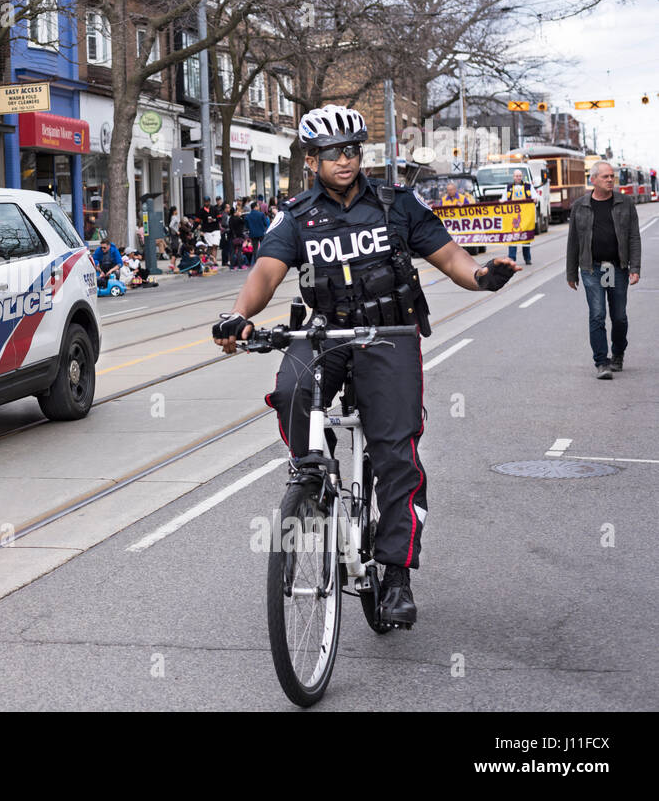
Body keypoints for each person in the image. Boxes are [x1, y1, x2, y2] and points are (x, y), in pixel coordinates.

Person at [211, 104, 518, 627]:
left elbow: (450, 258)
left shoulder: (398, 204)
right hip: (327, 331)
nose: (345, 160)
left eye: (352, 149)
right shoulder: (298, 214)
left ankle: (396, 573)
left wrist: (483, 275)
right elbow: (266, 272)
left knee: (395, 454)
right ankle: (315, 470)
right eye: (332, 153)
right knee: (291, 388)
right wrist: (238, 315)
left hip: (391, 337)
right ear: (312, 160)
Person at [566, 161, 641, 378]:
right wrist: (571, 273)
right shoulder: (580, 206)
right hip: (591, 268)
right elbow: (573, 242)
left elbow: (634, 237)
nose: (610, 180)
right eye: (605, 177)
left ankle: (618, 353)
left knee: (619, 317)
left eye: (612, 176)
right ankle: (601, 362)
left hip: (617, 268)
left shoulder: (625, 203)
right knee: (597, 315)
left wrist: (634, 267)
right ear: (593, 180)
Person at [502, 170, 534, 265]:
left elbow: (535, 197)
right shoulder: (508, 187)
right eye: (516, 176)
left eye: (520, 176)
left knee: (526, 237)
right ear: (513, 177)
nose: (518, 177)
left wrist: (535, 199)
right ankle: (512, 258)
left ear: (522, 176)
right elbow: (503, 199)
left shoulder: (529, 186)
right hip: (512, 218)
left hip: (526, 217)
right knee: (512, 236)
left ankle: (527, 258)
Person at [244, 200, 269, 265]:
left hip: (253, 233)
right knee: (263, 246)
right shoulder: (261, 214)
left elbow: (246, 226)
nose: (259, 207)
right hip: (261, 232)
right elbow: (266, 223)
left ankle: (256, 262)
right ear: (255, 207)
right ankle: (264, 260)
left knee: (255, 249)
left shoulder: (248, 216)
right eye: (258, 206)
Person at [199, 200, 222, 265]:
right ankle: (210, 260)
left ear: (209, 202)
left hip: (215, 229)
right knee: (210, 246)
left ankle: (214, 260)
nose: (206, 203)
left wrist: (213, 220)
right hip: (207, 230)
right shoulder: (201, 210)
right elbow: (198, 220)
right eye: (205, 202)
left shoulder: (215, 209)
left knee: (215, 246)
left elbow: (220, 218)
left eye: (207, 201)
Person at [227, 204, 248, 269]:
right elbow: (244, 222)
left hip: (232, 237)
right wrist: (241, 215)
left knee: (232, 252)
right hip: (239, 237)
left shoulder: (230, 219)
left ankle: (232, 266)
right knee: (239, 251)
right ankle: (240, 265)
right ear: (235, 212)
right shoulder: (238, 219)